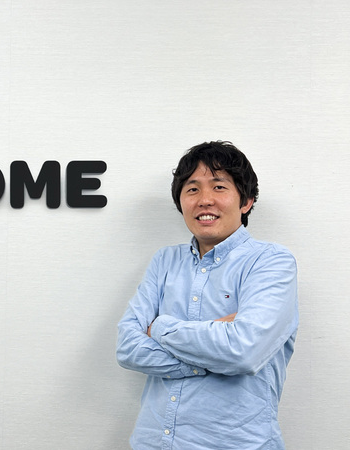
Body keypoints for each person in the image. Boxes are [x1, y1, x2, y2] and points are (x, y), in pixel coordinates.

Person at [116, 141, 298, 450]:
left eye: (219, 187)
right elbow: (127, 348)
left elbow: (242, 352)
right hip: (153, 442)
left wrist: (159, 327)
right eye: (192, 189)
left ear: (246, 201)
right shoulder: (165, 261)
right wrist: (213, 352)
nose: (205, 200)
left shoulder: (271, 262)